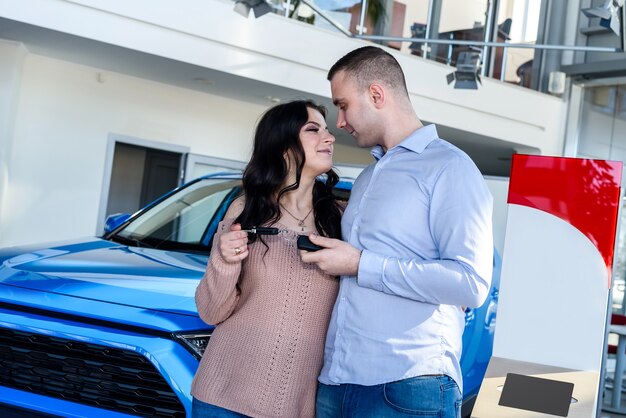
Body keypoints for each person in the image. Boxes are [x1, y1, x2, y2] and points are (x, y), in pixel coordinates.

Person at [300, 46, 494, 417]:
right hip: (337, 383)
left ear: (376, 95)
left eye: (343, 105)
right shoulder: (369, 177)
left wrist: (361, 264)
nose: (339, 121)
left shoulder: (450, 168)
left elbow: (471, 283)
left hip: (408, 386)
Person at [191, 100, 343, 418]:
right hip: (223, 396)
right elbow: (211, 312)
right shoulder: (245, 209)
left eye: (327, 131)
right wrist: (225, 259)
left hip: (298, 406)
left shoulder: (340, 220)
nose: (329, 138)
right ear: (283, 144)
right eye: (313, 130)